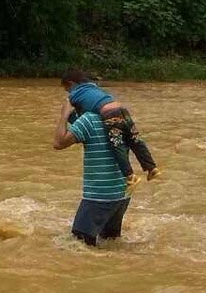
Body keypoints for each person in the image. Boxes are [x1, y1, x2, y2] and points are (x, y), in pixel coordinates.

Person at [61, 68, 160, 192]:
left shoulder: (73, 96)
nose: (67, 92)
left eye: (67, 89)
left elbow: (80, 119)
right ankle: (152, 168)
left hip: (110, 115)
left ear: (71, 84)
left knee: (116, 145)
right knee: (135, 140)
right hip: (122, 111)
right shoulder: (93, 87)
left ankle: (130, 176)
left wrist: (66, 114)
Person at [53, 99, 130, 247]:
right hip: (121, 194)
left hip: (99, 196)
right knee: (110, 244)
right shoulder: (120, 116)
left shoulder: (88, 120)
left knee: (77, 246)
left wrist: (64, 115)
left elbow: (58, 142)